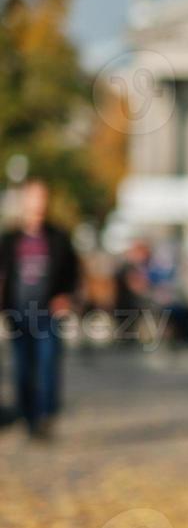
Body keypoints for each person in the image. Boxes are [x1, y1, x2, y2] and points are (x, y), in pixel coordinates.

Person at [0, 179, 79, 440]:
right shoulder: (11, 239)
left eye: (43, 197)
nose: (39, 203)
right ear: (25, 200)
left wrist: (66, 297)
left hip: (48, 313)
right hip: (18, 312)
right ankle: (28, 415)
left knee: (48, 365)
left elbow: (74, 273)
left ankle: (46, 415)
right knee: (23, 368)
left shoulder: (59, 237)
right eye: (34, 197)